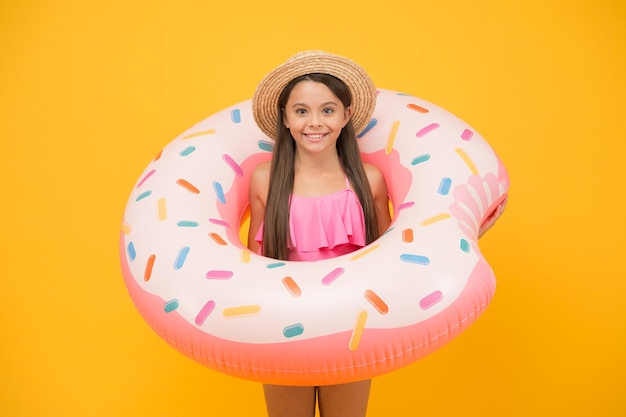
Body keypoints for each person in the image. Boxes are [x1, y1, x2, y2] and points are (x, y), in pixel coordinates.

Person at [248, 50, 391, 417]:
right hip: (281, 330)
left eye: (327, 110)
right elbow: (250, 267)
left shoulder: (368, 182)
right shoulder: (265, 180)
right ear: (285, 118)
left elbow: (394, 261)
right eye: (301, 111)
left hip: (349, 331)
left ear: (345, 116)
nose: (315, 122)